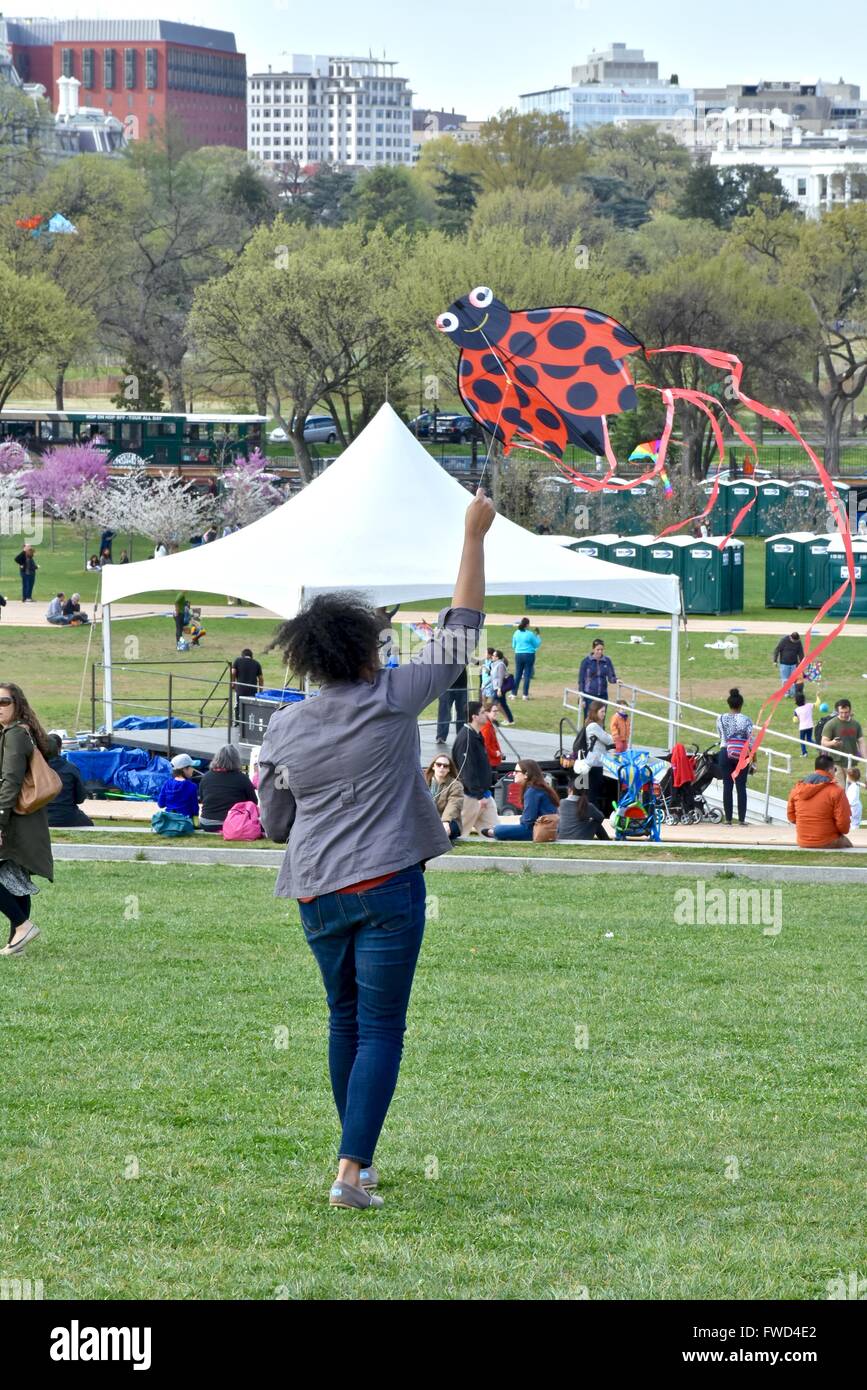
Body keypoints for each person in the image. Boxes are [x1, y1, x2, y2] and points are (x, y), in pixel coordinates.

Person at [257, 486, 495, 1211]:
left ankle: (350, 1161)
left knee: (344, 1019)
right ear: (364, 654)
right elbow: (461, 629)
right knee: (380, 1027)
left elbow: (273, 824)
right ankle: (351, 1171)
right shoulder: (393, 697)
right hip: (387, 885)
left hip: (314, 890)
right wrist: (473, 535)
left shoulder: (282, 731)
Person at [0, 682, 54, 954]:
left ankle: (22, 925)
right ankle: (16, 940)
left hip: (13, 816)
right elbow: (52, 746)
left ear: (17, 704)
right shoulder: (23, 731)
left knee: (14, 872)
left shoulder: (14, 735)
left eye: (3, 702)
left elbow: (10, 781)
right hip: (24, 816)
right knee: (15, 874)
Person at [482, 759, 558, 841]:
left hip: (538, 830)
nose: (513, 774)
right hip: (550, 829)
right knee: (505, 827)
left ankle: (494, 832)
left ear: (526, 774)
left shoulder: (532, 791)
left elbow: (528, 821)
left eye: (517, 771)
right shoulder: (540, 788)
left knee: (498, 829)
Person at [787, 753, 851, 848]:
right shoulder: (837, 791)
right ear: (830, 770)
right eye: (835, 769)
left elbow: (791, 817)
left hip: (803, 841)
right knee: (848, 844)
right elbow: (844, 826)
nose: (835, 772)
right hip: (828, 841)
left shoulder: (797, 789)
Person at [453, 702, 498, 836]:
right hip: (471, 797)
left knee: (496, 833)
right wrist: (479, 795)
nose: (486, 714)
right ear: (475, 717)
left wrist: (482, 794)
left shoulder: (476, 735)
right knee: (459, 835)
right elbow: (467, 770)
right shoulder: (466, 739)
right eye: (483, 712)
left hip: (483, 795)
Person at [198, 745, 257, 833]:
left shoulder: (206, 777)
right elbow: (253, 802)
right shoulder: (242, 778)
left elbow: (202, 799)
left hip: (207, 822)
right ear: (236, 760)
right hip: (234, 823)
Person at [716, 687, 753, 826]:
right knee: (741, 786)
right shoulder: (747, 720)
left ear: (729, 704)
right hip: (742, 754)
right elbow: (751, 741)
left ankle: (728, 819)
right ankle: (742, 820)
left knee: (727, 785)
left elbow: (721, 736)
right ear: (741, 704)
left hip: (725, 751)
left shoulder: (720, 718)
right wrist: (753, 759)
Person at [45, 735, 92, 827]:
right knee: (89, 824)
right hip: (67, 817)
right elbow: (80, 798)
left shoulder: (34, 771)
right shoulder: (71, 768)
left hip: (41, 819)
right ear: (60, 748)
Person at [821, 699, 866, 785]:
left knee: (852, 788)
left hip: (851, 762)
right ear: (837, 711)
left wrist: (865, 759)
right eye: (841, 712)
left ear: (850, 710)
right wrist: (832, 743)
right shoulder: (831, 724)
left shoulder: (856, 724)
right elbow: (823, 742)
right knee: (840, 789)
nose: (844, 715)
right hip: (836, 763)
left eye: (846, 712)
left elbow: (861, 742)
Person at [580, 700, 614, 812]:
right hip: (594, 763)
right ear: (595, 711)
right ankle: (591, 816)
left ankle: (590, 815)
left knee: (592, 792)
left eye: (604, 711)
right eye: (602, 711)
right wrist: (610, 736)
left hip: (595, 762)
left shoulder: (593, 725)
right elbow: (608, 740)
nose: (604, 714)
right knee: (592, 794)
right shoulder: (594, 726)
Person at [424, 753, 464, 842]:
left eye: (445, 766)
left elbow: (454, 804)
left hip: (449, 821)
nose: (441, 768)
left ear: (449, 769)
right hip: (426, 820)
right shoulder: (423, 781)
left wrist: (445, 821)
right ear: (433, 766)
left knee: (443, 830)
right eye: (439, 765)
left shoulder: (455, 785)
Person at [578, 639, 617, 716]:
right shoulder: (586, 662)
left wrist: (616, 680)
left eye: (602, 650)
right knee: (589, 719)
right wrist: (581, 697)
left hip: (603, 695)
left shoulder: (607, 661)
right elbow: (581, 680)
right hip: (589, 695)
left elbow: (611, 677)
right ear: (593, 649)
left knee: (601, 718)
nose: (600, 652)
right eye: (598, 649)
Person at [156, 753, 199, 821]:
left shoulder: (166, 784)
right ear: (184, 769)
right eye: (191, 767)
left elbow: (161, 804)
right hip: (185, 822)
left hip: (169, 820)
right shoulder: (192, 786)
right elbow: (195, 809)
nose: (193, 770)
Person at [435, 665, 468, 745]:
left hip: (462, 685)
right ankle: (441, 736)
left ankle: (461, 736)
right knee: (444, 712)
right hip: (446, 686)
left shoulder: (463, 653)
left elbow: (474, 661)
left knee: (462, 713)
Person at [231, 648, 264, 724]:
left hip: (240, 689)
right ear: (251, 656)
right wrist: (260, 691)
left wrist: (233, 682)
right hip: (252, 690)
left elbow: (233, 672)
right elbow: (261, 678)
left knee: (238, 705)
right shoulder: (256, 663)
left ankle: (237, 723)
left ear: (242, 655)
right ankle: (250, 724)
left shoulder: (237, 661)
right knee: (251, 707)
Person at [512, 618, 541, 700]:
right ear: (527, 625)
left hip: (518, 655)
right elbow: (537, 644)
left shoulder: (516, 633)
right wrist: (538, 635)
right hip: (529, 655)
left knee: (517, 674)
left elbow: (513, 645)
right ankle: (525, 695)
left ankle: (514, 694)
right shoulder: (530, 634)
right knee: (527, 675)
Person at [771, 631, 804, 696]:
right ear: (790, 638)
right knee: (785, 679)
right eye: (794, 641)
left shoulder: (798, 642)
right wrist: (775, 661)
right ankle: (786, 693)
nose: (795, 642)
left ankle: (793, 693)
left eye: (796, 641)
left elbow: (801, 653)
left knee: (794, 679)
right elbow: (777, 650)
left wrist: (802, 663)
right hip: (784, 664)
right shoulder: (784, 640)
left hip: (794, 664)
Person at [487, 650, 514, 724]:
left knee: (495, 702)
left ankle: (506, 719)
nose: (492, 657)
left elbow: (500, 677)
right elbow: (492, 677)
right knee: (502, 704)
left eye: (494, 655)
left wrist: (499, 689)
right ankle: (510, 720)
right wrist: (485, 685)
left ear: (498, 657)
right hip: (495, 687)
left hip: (500, 687)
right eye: (492, 655)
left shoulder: (501, 665)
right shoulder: (493, 665)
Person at [480, 698, 503, 770]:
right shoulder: (487, 727)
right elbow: (485, 745)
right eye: (494, 711)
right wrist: (495, 753)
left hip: (492, 761)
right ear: (487, 713)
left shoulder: (490, 725)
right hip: (490, 762)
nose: (497, 713)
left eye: (497, 711)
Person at [793, 690, 814, 756]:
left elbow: (795, 720)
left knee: (802, 741)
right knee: (809, 739)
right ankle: (819, 746)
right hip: (810, 726)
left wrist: (795, 719)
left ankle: (804, 752)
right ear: (804, 699)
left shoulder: (796, 710)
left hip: (802, 728)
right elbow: (817, 704)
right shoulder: (809, 705)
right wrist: (818, 696)